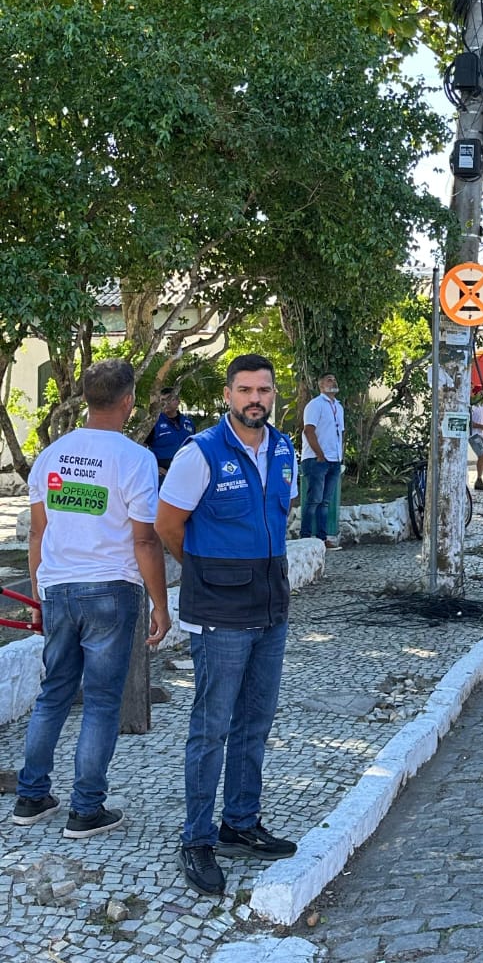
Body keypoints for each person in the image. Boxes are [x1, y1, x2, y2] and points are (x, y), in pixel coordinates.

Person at [155, 354, 298, 897]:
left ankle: (239, 822)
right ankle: (197, 838)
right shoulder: (201, 453)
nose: (254, 398)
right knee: (211, 727)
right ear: (227, 394)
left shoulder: (285, 448)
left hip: (270, 604)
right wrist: (204, 571)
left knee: (255, 721)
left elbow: (279, 516)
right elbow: (169, 524)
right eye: (245, 389)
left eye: (263, 389)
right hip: (219, 612)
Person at [11, 359, 170, 838]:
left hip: (59, 587)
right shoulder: (135, 459)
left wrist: (40, 587)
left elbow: (39, 531)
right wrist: (160, 604)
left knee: (53, 692)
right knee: (101, 701)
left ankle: (31, 796)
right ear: (127, 402)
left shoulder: (52, 455)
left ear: (85, 399)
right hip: (111, 590)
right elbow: (145, 541)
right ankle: (85, 809)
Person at [299, 373, 345, 548]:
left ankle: (321, 538)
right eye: (328, 380)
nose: (333, 381)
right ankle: (305, 537)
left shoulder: (338, 407)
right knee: (314, 501)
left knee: (325, 502)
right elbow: (308, 430)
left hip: (334, 460)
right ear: (320, 385)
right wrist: (320, 455)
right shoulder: (315, 405)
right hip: (316, 459)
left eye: (334, 379)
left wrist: (339, 456)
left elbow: (340, 432)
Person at [145, 387, 196, 480]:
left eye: (170, 399)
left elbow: (194, 446)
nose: (166, 403)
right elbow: (140, 448)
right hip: (163, 476)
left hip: (186, 473)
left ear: (178, 401)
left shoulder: (188, 423)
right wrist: (154, 467)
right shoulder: (154, 423)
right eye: (163, 400)